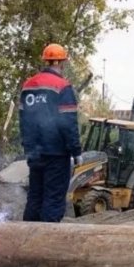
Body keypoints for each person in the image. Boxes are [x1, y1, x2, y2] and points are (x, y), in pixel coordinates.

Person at [19, 43, 82, 223]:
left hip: (35, 153)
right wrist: (76, 151)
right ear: (62, 63)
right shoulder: (62, 86)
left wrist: (28, 146)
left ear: (45, 61)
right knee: (53, 199)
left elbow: (23, 119)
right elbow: (68, 123)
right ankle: (45, 241)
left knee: (35, 197)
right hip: (57, 153)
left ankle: (26, 241)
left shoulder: (28, 85)